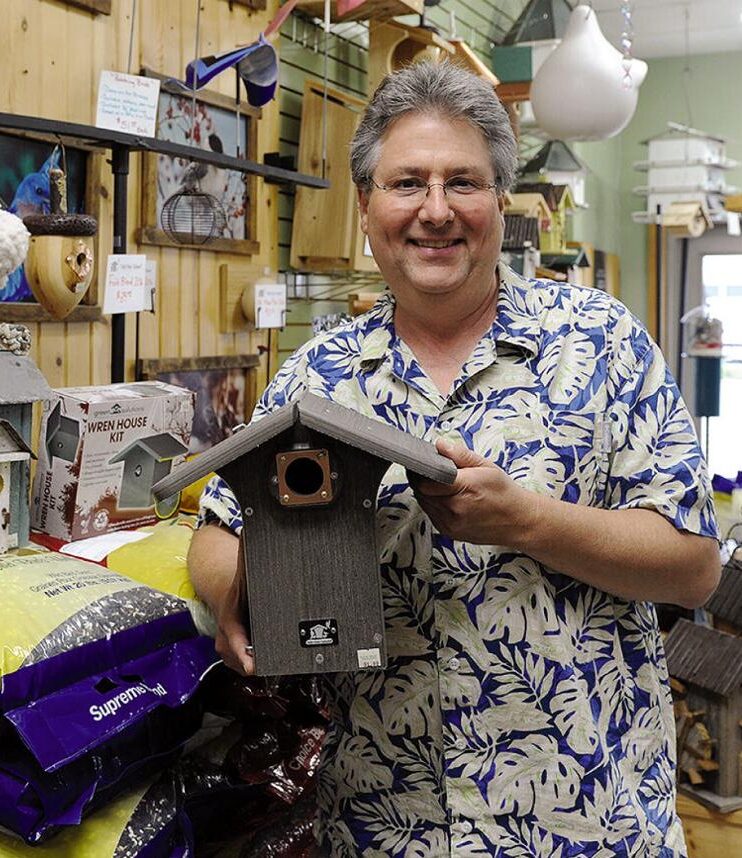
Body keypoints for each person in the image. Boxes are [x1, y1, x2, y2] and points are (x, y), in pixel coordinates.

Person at [188, 61, 721, 857]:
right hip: (382, 825)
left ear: (500, 201)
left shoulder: (603, 342)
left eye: (462, 183)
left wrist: (528, 522)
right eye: (408, 184)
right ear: (367, 207)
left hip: (587, 822)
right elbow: (221, 525)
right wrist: (232, 591)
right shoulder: (318, 374)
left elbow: (693, 567)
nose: (435, 212)